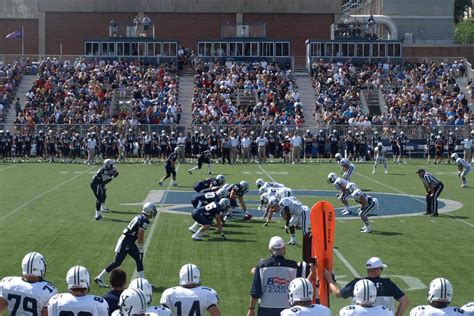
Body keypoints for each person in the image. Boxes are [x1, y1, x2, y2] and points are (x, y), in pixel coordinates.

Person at [94, 203, 157, 287]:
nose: (154, 211)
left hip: (129, 241)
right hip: (125, 241)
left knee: (139, 259)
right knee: (117, 262)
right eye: (153, 210)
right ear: (149, 211)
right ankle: (100, 277)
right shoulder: (144, 220)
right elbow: (140, 236)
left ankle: (142, 282)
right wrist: (141, 248)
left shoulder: (141, 217)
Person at [324, 257, 409, 316]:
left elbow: (338, 294)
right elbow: (404, 301)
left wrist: (329, 279)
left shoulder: (358, 283)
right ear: (378, 270)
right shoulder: (388, 284)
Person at [247, 236, 300, 316]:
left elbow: (256, 292)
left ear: (270, 249)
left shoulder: (262, 265)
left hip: (266, 309)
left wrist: (251, 309)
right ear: (284, 248)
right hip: (289, 310)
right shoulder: (293, 266)